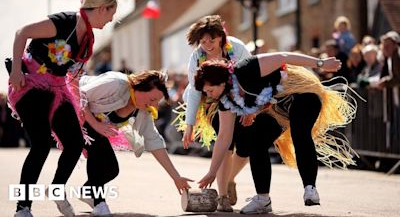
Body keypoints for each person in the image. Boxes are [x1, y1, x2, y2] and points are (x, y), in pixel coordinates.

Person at [194, 53, 357, 214]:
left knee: (300, 132)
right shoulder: (226, 101)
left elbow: (283, 57)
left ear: (221, 81)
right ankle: (263, 199)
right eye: (206, 92)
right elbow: (223, 137)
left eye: (210, 90)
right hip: (278, 110)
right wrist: (211, 172)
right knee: (256, 142)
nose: (209, 95)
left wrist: (321, 63)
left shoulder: (245, 68)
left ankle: (310, 188)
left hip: (301, 93)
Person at [7, 0, 117, 216]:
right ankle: (23, 208)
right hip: (30, 84)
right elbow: (22, 33)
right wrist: (16, 70)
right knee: (40, 144)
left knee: (75, 143)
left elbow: (73, 77)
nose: (111, 20)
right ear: (101, 8)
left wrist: (81, 108)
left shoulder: (87, 40)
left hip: (58, 89)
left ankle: (57, 189)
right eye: (111, 14)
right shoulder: (63, 22)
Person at [78, 70, 192, 215]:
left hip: (96, 127)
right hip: (74, 113)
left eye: (157, 101)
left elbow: (154, 141)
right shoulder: (115, 83)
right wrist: (96, 124)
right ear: (139, 88)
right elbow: (78, 95)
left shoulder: (142, 110)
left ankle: (88, 192)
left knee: (111, 170)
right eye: (152, 99)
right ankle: (98, 202)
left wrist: (176, 177)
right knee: (101, 158)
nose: (154, 105)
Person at [175, 15, 251, 211]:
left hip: (241, 100)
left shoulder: (236, 48)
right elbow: (194, 92)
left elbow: (251, 78)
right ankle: (223, 196)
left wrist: (250, 108)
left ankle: (229, 178)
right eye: (202, 41)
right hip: (213, 104)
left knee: (245, 148)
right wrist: (189, 124)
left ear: (221, 36)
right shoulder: (197, 57)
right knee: (225, 143)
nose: (207, 45)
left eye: (212, 39)